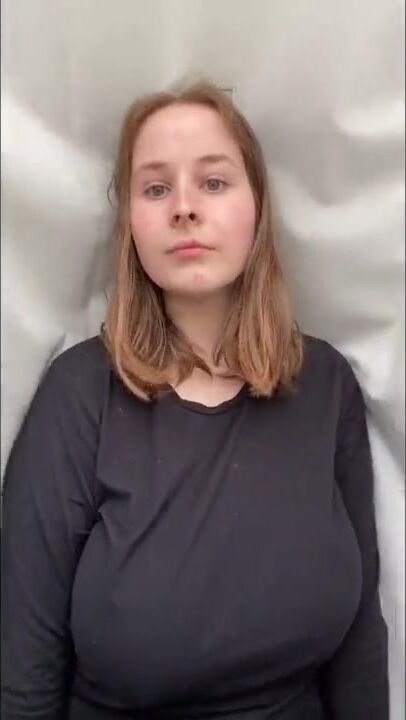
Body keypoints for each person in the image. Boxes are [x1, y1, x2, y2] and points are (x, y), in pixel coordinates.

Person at [1, 80, 389, 719]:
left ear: (257, 207)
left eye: (213, 182)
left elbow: (360, 647)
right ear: (129, 223)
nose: (184, 207)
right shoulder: (79, 394)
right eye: (156, 189)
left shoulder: (324, 384)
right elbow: (25, 665)